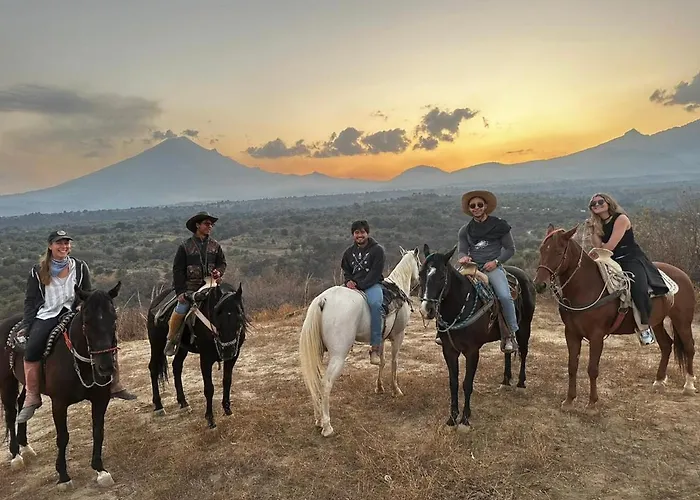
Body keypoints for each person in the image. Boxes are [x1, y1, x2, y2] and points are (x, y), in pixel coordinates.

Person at [17, 230, 136, 424]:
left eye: (66, 243)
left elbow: (86, 292)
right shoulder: (37, 271)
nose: (64, 246)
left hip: (74, 312)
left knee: (105, 338)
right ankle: (32, 396)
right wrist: (29, 325)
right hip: (48, 314)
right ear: (50, 246)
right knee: (32, 349)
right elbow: (30, 300)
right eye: (59, 243)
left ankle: (114, 384)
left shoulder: (80, 267)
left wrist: (84, 307)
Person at [586, 193, 668, 346]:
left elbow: (608, 247)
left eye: (600, 201)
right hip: (610, 259)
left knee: (638, 287)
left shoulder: (621, 219)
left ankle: (644, 328)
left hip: (630, 258)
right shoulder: (598, 224)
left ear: (608, 203)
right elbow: (598, 246)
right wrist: (593, 231)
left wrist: (600, 250)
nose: (596, 205)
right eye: (593, 204)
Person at [450, 190, 518, 353]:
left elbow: (510, 249)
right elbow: (462, 250)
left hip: (492, 267)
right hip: (472, 267)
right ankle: (444, 329)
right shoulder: (465, 230)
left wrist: (496, 262)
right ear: (469, 209)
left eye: (479, 205)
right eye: (472, 206)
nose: (476, 208)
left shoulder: (500, 226)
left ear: (486, 206)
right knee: (449, 288)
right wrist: (463, 257)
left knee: (504, 296)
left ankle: (510, 334)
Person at [164, 211, 227, 356]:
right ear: (198, 225)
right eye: (207, 223)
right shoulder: (184, 247)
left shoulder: (215, 246)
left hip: (211, 285)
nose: (210, 226)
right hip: (191, 288)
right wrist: (180, 292)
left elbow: (222, 263)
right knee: (181, 308)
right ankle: (171, 339)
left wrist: (219, 272)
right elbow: (178, 270)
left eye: (211, 224)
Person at [341, 220, 386, 365]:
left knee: (376, 305)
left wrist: (360, 285)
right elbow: (346, 270)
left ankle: (375, 347)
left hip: (372, 285)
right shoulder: (348, 253)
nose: (359, 235)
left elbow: (375, 273)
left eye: (362, 232)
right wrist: (348, 281)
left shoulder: (377, 250)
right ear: (353, 234)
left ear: (367, 233)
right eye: (356, 233)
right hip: (353, 285)